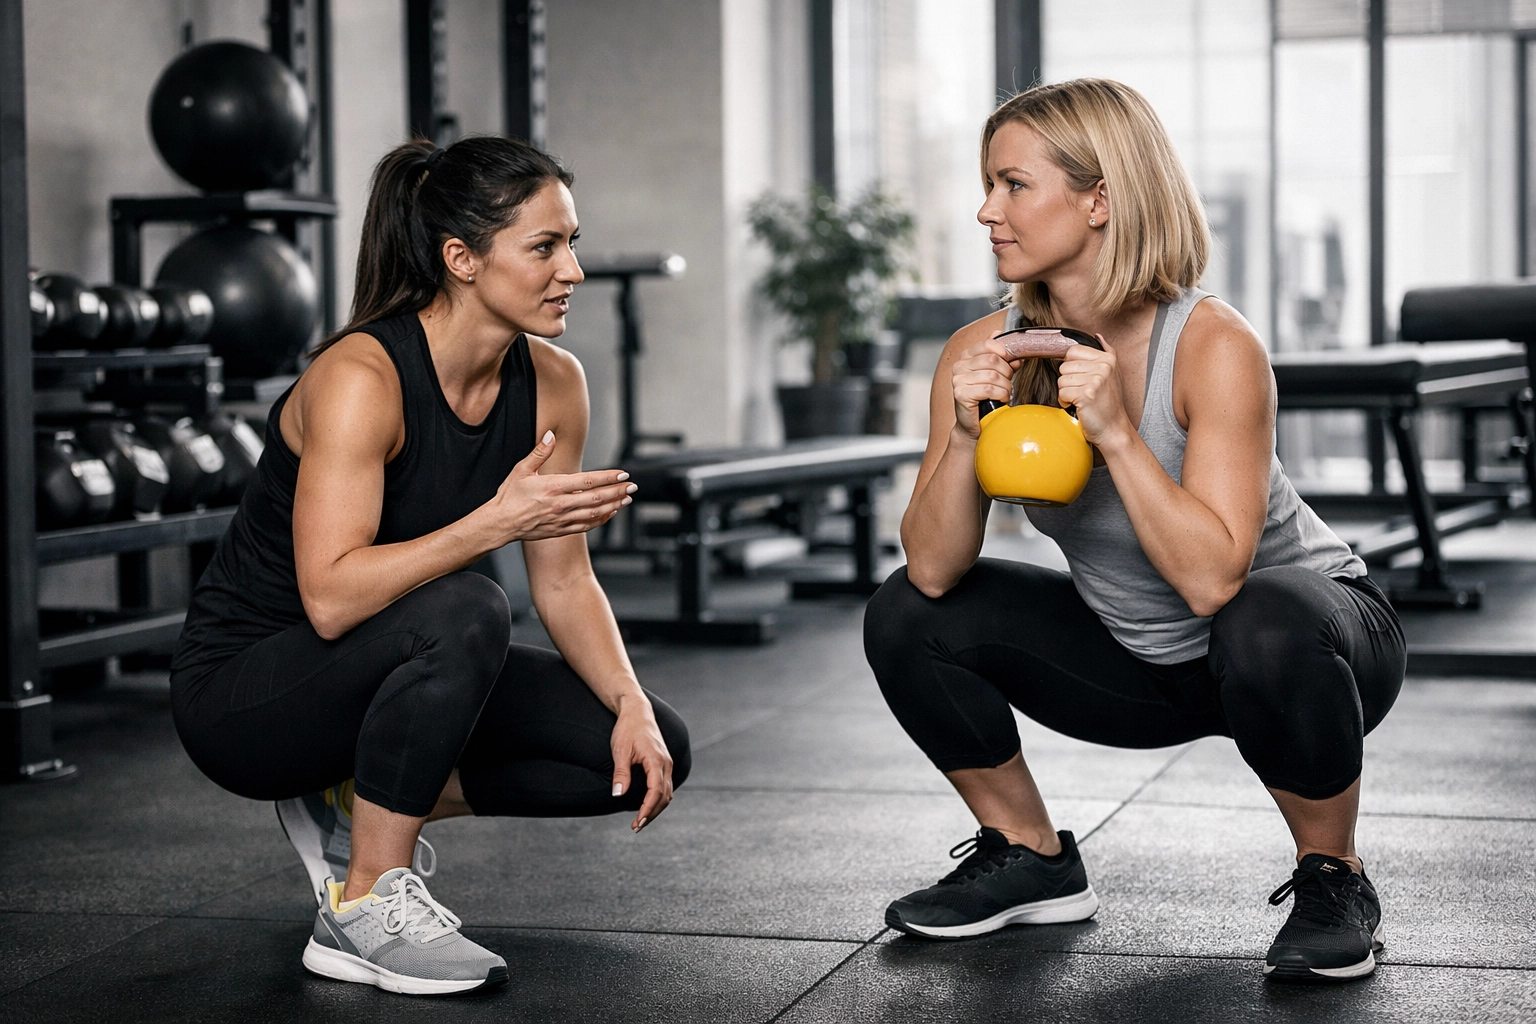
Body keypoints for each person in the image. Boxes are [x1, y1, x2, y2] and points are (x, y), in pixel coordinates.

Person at [864, 79, 1404, 983]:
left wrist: (1115, 429)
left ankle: (1333, 876)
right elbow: (932, 567)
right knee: (907, 613)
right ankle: (1030, 857)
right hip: (1142, 659)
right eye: (987, 186)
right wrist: (963, 438)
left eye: (1012, 185)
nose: (985, 210)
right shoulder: (981, 351)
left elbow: (1211, 584)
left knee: (1261, 614)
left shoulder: (1212, 344)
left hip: (1314, 649)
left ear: (1100, 198)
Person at [170, 136, 690, 996]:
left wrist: (629, 701)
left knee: (647, 749)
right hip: (246, 693)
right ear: (462, 258)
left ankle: (352, 798)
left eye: (574, 243)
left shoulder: (554, 383)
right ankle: (364, 905)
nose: (574, 271)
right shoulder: (360, 376)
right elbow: (332, 601)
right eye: (545, 246)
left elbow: (565, 581)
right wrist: (493, 521)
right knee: (470, 604)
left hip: (386, 665)